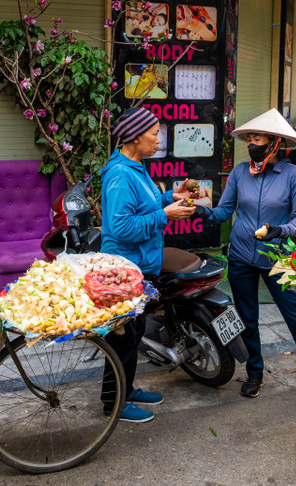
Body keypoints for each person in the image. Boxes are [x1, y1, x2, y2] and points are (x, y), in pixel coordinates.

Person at [196, 109, 296, 401]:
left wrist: (279, 230)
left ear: (274, 142)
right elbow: (225, 211)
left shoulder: (292, 175)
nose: (251, 143)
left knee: (295, 317)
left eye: (257, 138)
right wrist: (201, 211)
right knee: (248, 318)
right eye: (249, 138)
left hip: (278, 257)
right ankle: (254, 374)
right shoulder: (239, 172)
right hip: (240, 258)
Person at [99, 107, 196, 423]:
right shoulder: (120, 175)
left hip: (141, 268)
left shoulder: (136, 167)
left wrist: (170, 196)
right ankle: (114, 403)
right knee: (121, 337)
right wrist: (164, 215)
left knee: (133, 332)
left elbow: (145, 207)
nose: (158, 141)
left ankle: (126, 390)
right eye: (154, 134)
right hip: (123, 271)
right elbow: (121, 226)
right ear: (135, 137)